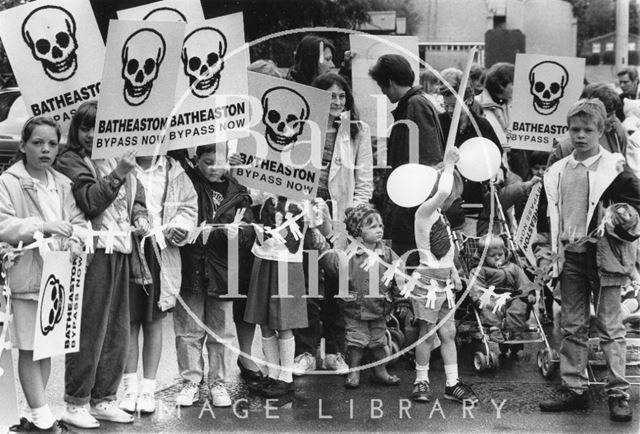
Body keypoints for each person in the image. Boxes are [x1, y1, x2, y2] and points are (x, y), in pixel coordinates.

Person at [538, 99, 640, 422]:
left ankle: (617, 392)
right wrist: (545, 252)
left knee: (611, 326)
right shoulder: (557, 170)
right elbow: (546, 216)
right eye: (574, 129)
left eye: (588, 130)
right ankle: (574, 387)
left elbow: (636, 204)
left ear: (601, 130)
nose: (580, 136)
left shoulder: (615, 167)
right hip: (570, 258)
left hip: (606, 258)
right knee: (572, 324)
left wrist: (621, 216)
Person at [55, 101, 149, 429]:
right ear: (76, 130)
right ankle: (76, 401)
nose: (93, 134)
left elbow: (137, 198)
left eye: (101, 127)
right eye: (86, 127)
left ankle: (103, 398)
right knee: (89, 328)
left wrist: (141, 217)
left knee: (116, 330)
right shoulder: (69, 159)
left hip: (122, 250)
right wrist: (119, 173)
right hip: (91, 252)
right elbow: (91, 202)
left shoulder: (118, 156)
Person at [1, 116, 87, 433]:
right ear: (23, 146)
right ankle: (43, 419)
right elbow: (4, 225)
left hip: (58, 275)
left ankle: (37, 415)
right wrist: (42, 226)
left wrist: (77, 239)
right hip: (26, 274)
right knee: (28, 347)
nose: (45, 149)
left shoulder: (63, 183)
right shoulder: (9, 182)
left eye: (51, 143)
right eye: (37, 143)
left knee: (46, 346)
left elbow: (78, 222)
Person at [290, 72, 374, 375]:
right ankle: (306, 352)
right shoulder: (299, 129)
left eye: (342, 96)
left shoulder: (358, 131)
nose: (337, 102)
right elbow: (294, 179)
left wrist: (349, 225)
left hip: (342, 220)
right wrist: (312, 226)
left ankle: (337, 352)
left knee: (340, 289)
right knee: (310, 285)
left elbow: (364, 182)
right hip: (307, 217)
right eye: (330, 96)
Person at [174, 143, 256, 408]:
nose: (212, 168)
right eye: (207, 162)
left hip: (225, 270)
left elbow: (250, 228)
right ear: (196, 160)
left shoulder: (239, 192)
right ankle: (190, 381)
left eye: (218, 162)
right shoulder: (187, 182)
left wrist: (240, 234)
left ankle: (218, 381)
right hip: (192, 266)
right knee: (189, 329)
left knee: (222, 330)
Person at [118, 154, 197, 414]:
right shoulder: (121, 163)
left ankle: (148, 389)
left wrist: (180, 227)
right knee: (128, 321)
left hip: (160, 251)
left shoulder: (174, 171)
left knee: (153, 322)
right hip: (126, 250)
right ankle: (129, 388)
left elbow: (188, 208)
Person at [409, 148, 477, 405]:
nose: (451, 200)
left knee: (448, 332)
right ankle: (421, 379)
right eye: (451, 195)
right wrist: (448, 166)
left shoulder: (442, 218)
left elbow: (446, 252)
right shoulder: (424, 212)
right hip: (426, 282)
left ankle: (452, 383)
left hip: (444, 282)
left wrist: (455, 273)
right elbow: (443, 192)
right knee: (427, 333)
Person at [244, 195, 330, 397]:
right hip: (263, 257)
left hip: (288, 263)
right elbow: (249, 197)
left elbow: (325, 230)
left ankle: (286, 376)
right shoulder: (265, 191)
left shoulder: (307, 200)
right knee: (264, 321)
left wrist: (320, 210)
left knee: (284, 322)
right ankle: (273, 373)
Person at [369, 54, 445, 266]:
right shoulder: (416, 103)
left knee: (407, 272)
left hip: (410, 212)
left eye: (382, 86)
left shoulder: (414, 106)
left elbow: (425, 164)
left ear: (390, 82)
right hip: (410, 209)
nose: (383, 92)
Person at [322, 204, 402, 388]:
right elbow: (333, 265)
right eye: (372, 226)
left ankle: (380, 371)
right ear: (358, 231)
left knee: (378, 340)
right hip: (355, 307)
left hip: (380, 306)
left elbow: (399, 273)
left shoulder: (387, 252)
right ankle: (354, 372)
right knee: (355, 341)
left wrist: (399, 295)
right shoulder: (349, 254)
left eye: (380, 226)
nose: (379, 230)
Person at [469, 234, 537, 344]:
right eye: (492, 256)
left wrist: (529, 293)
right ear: (483, 257)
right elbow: (476, 285)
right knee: (489, 306)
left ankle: (515, 331)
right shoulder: (480, 270)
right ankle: (494, 329)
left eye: (500, 254)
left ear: (505, 252)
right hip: (492, 296)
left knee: (519, 306)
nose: (497, 257)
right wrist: (479, 297)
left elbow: (523, 281)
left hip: (511, 296)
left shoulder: (513, 267)